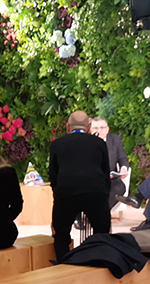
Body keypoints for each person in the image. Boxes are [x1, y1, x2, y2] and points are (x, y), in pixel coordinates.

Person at [47, 110, 111, 259]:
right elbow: (105, 173)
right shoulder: (99, 143)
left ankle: (64, 265)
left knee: (61, 236)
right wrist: (104, 198)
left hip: (66, 192)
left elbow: (53, 175)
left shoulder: (57, 144)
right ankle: (99, 263)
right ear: (88, 128)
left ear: (67, 127)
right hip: (96, 191)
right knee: (102, 234)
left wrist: (58, 196)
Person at [90, 116, 130, 209]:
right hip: (92, 179)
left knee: (120, 187)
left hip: (110, 179)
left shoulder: (115, 140)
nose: (99, 131)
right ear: (91, 130)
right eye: (95, 128)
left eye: (102, 128)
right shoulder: (86, 142)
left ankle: (99, 211)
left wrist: (123, 168)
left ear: (107, 129)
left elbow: (122, 158)